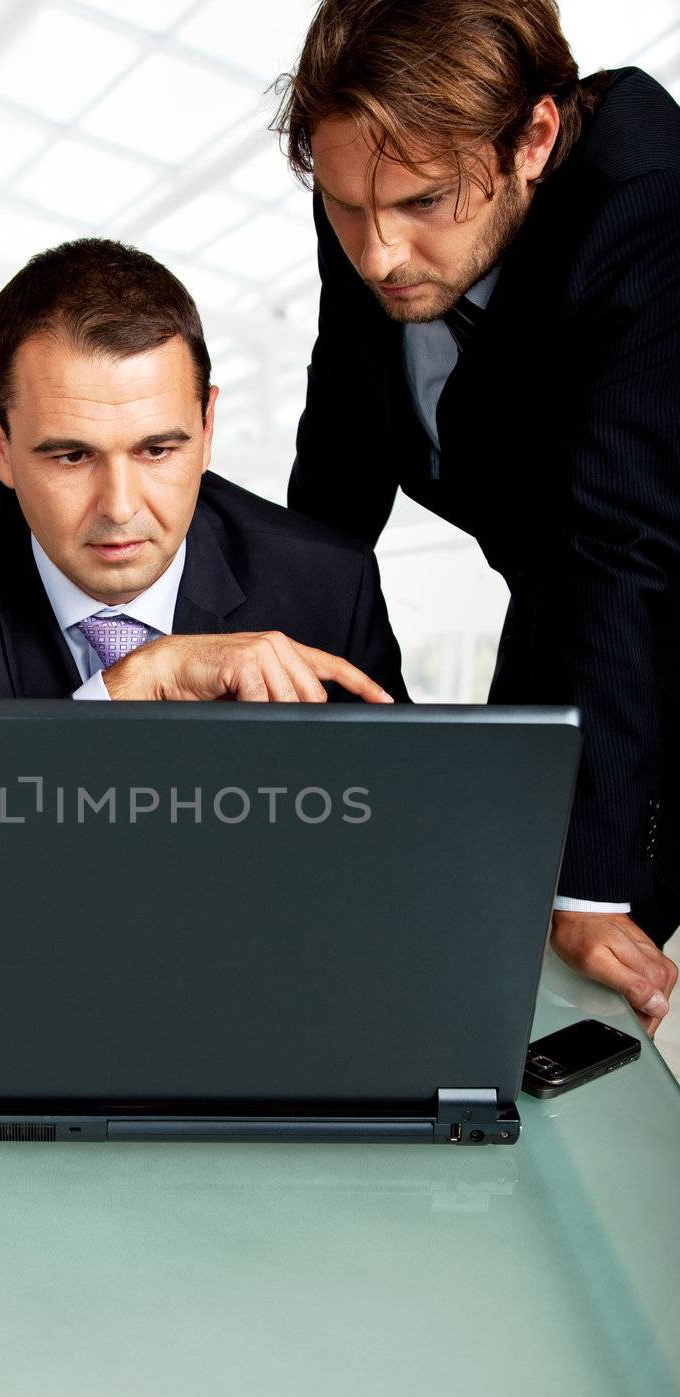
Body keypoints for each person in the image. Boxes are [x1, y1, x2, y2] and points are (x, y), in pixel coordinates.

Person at [275, 0, 680, 1035]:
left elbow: (622, 550)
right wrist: (283, 715)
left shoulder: (650, 209)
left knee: (596, 990)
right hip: (560, 607)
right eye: (346, 208)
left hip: (648, 621)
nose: (376, 254)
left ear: (533, 138)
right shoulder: (375, 188)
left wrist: (588, 884)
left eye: (420, 203)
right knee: (480, 956)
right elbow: (338, 468)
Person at [0, 239, 406, 711]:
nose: (119, 508)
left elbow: (398, 816)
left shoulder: (329, 585)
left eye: (157, 450)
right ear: (1, 446)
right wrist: (136, 682)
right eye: (71, 457)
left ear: (207, 428)